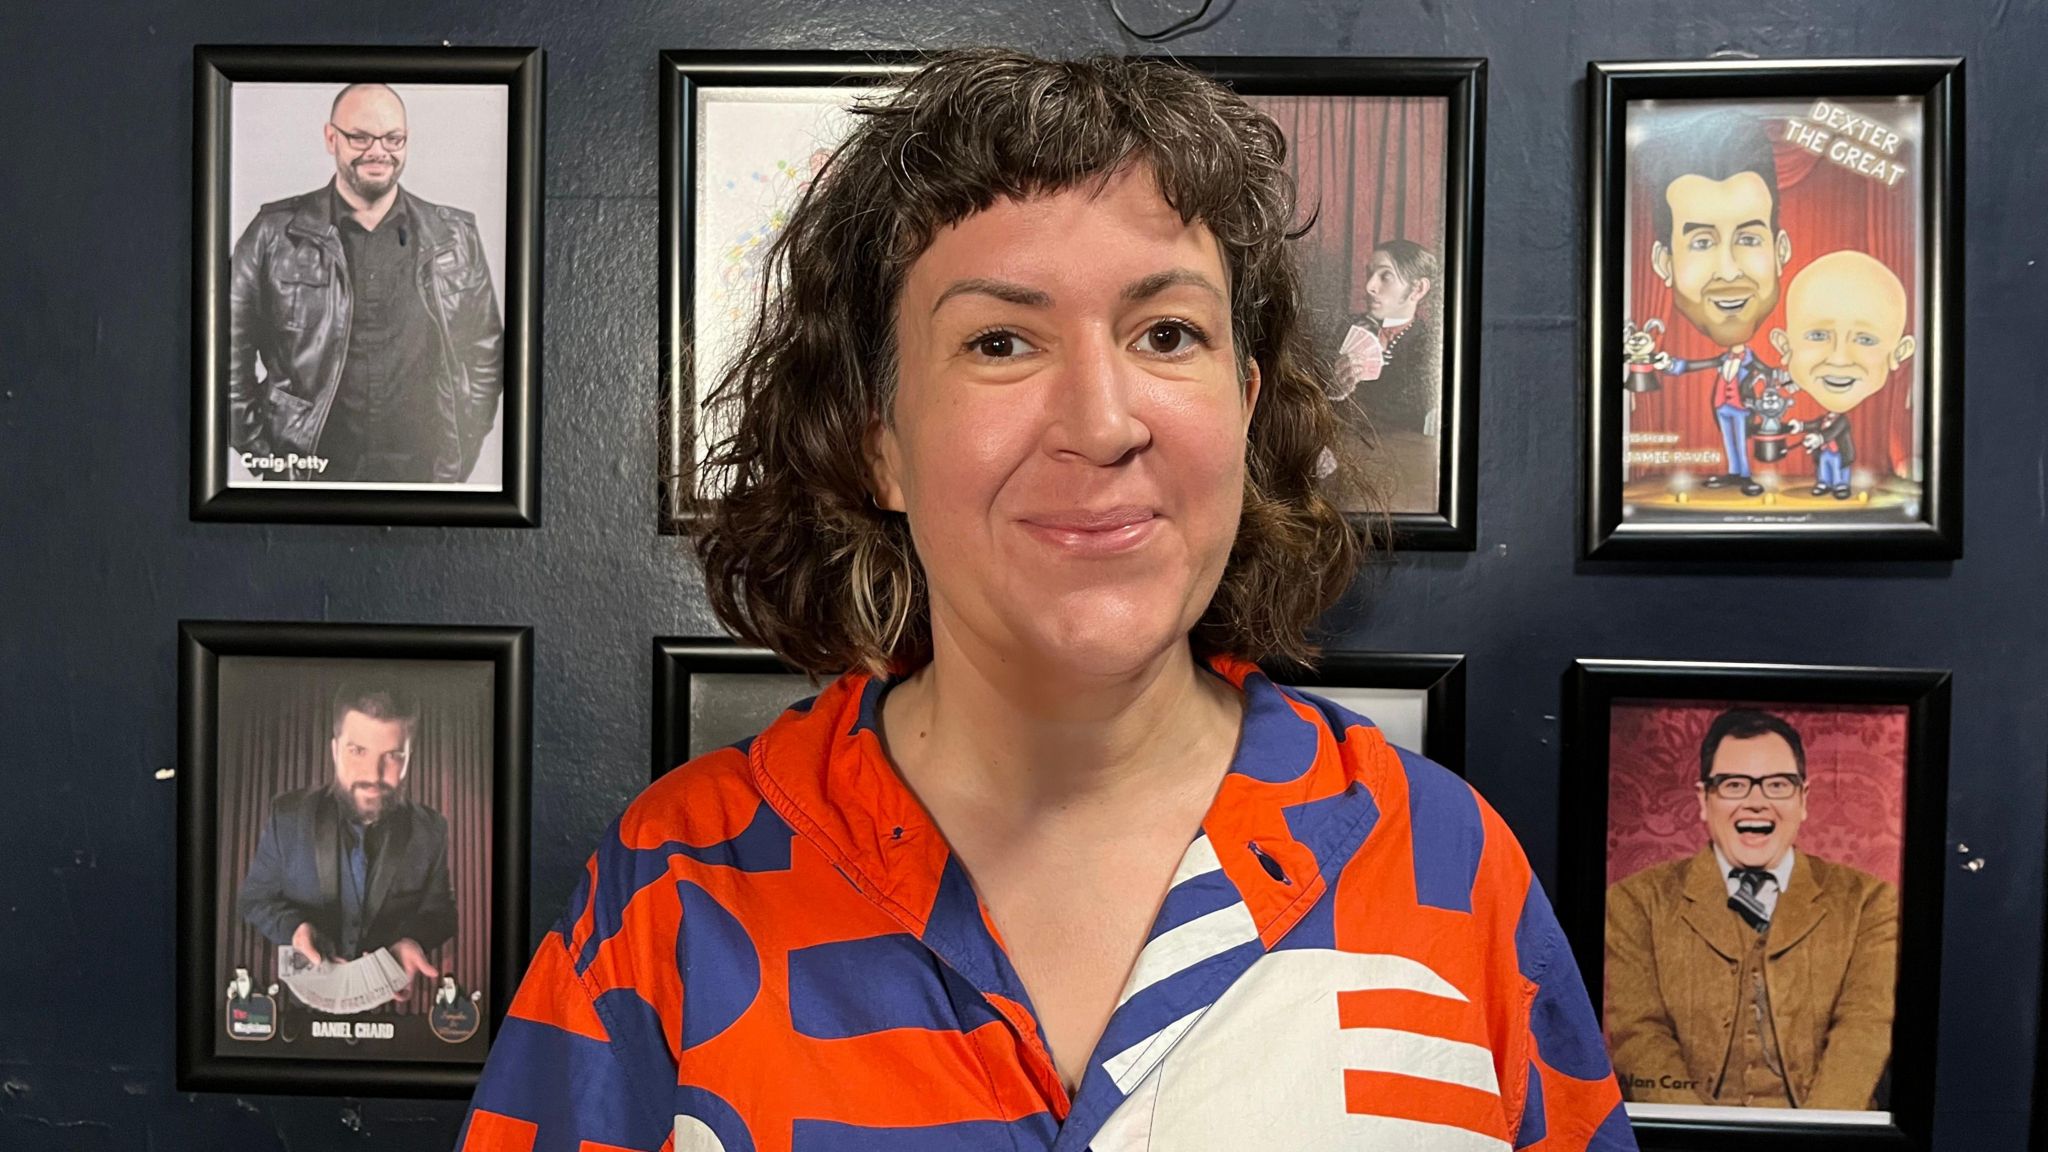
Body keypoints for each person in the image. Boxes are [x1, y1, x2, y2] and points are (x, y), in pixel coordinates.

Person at [461, 49, 1629, 1151]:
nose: (1101, 422)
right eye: (1000, 342)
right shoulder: (676, 885)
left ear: (1241, 405)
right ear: (880, 444)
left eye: (1166, 333)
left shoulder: (1435, 863)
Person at [1605, 710, 1898, 1109]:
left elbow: (1863, 1030)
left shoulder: (1869, 902)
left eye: (1778, 785)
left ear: (1803, 800)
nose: (1756, 802)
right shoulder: (1634, 903)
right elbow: (1639, 1035)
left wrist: (1817, 1140)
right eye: (1734, 785)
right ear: (1704, 801)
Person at [227, 82, 504, 484]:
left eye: (393, 138)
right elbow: (224, 353)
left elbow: (485, 352)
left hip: (422, 476)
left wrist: (462, 448)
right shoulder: (272, 234)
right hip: (310, 475)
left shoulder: (455, 237)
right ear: (331, 138)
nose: (379, 151)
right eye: (360, 137)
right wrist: (264, 455)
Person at [236, 683, 454, 994]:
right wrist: (295, 929)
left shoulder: (432, 829)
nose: (374, 774)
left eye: (392, 755)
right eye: (358, 751)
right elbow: (255, 900)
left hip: (390, 1005)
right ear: (335, 751)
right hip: (302, 1009)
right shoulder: (287, 816)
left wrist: (413, 940)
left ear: (409, 758)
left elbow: (440, 913)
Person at [1631, 110, 1794, 497]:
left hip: (1740, 409)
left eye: (1750, 239)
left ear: (1780, 251)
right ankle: (1738, 472)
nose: (1729, 271)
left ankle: (1742, 473)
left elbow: (1767, 373)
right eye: (1702, 242)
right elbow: (1697, 365)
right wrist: (1668, 364)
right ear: (1664, 263)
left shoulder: (1754, 360)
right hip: (1726, 409)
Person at [1770, 252, 1916, 500]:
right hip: (1824, 453)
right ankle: (1827, 484)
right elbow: (1817, 426)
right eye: (1818, 336)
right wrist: (1801, 426)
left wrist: (1816, 436)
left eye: (1865, 339)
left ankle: (1838, 485)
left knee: (1837, 471)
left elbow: (1831, 429)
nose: (1839, 359)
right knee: (1827, 469)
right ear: (1784, 346)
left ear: (1899, 352)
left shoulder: (1839, 422)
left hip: (1836, 453)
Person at [1335, 239, 1444, 435]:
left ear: (1418, 289)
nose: (1370, 286)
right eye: (1369, 274)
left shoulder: (1429, 346)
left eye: (1386, 276)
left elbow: (1408, 413)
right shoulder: (1343, 328)